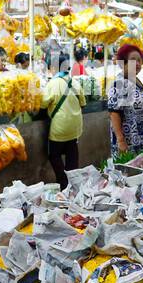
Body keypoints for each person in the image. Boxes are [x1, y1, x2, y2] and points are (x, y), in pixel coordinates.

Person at [108, 43, 143, 157]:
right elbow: (114, 112)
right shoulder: (121, 83)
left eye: (139, 60)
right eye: (132, 60)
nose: (137, 64)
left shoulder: (136, 81)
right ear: (123, 63)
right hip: (130, 142)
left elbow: (136, 106)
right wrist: (121, 140)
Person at [41, 55, 84, 188]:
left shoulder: (52, 84)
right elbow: (83, 103)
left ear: (54, 67)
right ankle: (73, 183)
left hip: (60, 128)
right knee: (72, 153)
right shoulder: (75, 82)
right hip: (75, 128)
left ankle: (63, 182)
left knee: (54, 155)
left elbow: (42, 104)